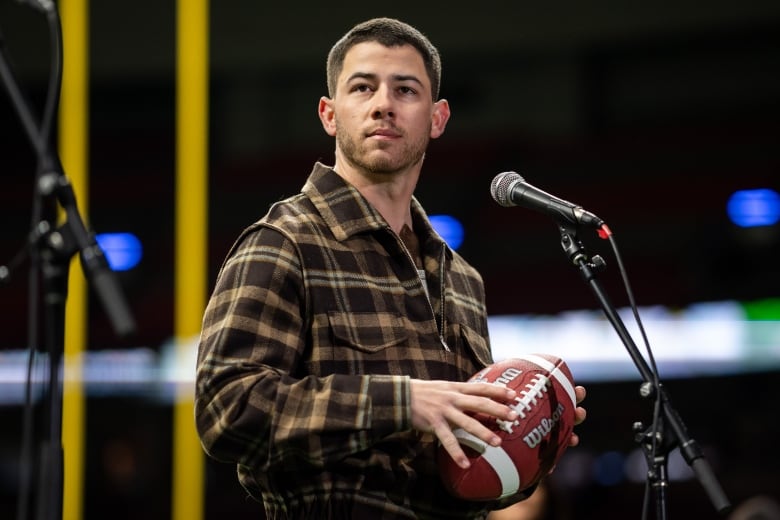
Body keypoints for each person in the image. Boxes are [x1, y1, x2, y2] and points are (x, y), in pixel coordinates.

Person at [195, 17, 587, 519]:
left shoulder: (463, 279)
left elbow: (456, 476)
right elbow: (225, 410)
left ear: (438, 118)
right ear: (329, 114)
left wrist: (523, 449)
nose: (384, 103)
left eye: (405, 90)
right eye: (363, 87)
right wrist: (401, 403)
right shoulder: (284, 241)